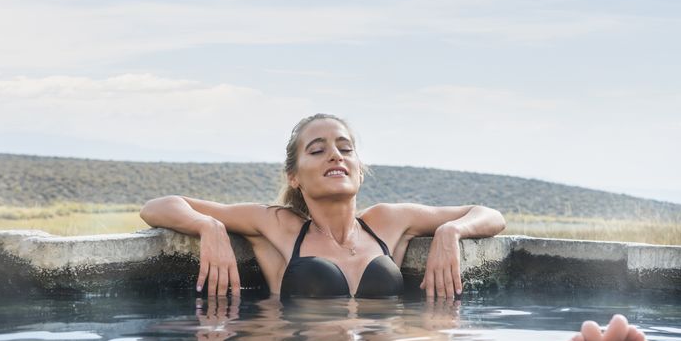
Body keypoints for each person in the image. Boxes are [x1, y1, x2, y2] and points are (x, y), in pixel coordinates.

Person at [139, 112, 507, 300]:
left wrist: (451, 230)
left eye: (345, 149)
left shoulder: (388, 221)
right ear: (294, 176)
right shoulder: (278, 225)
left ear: (359, 170)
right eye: (317, 150)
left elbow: (491, 215)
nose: (335, 155)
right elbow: (158, 206)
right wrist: (210, 227)